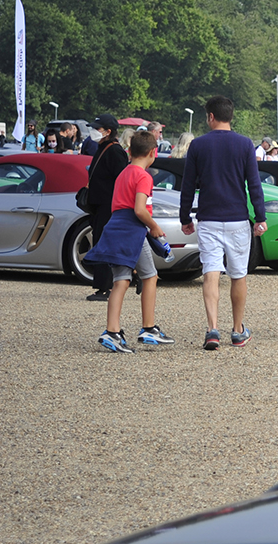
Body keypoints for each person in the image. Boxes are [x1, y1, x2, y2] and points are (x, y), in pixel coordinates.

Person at [179, 96, 268, 351]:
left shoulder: (198, 145)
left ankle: (212, 329)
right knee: (238, 275)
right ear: (231, 116)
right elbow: (254, 184)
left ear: (210, 117)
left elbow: (187, 185)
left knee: (211, 272)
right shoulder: (244, 145)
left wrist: (185, 217)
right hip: (237, 218)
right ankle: (238, 330)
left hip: (209, 218)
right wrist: (260, 217)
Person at [83, 130, 174, 353]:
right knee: (150, 276)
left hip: (114, 227)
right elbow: (139, 209)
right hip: (132, 230)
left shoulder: (123, 173)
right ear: (154, 152)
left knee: (120, 280)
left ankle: (112, 331)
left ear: (129, 151)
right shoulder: (144, 177)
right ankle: (148, 328)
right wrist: (154, 227)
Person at [84, 114, 128, 302]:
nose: (94, 131)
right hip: (100, 205)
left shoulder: (115, 151)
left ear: (108, 131)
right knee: (100, 244)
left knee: (104, 246)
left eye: (98, 128)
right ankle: (101, 285)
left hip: (109, 206)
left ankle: (106, 286)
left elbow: (122, 180)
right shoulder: (103, 148)